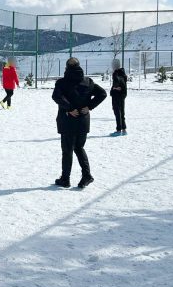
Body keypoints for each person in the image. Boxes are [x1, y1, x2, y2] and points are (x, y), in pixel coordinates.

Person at [52, 57, 107, 189]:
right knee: (79, 148)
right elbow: (102, 94)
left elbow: (56, 96)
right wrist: (90, 106)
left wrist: (69, 108)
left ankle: (65, 179)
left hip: (68, 121)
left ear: (66, 68)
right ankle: (86, 175)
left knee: (67, 150)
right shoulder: (88, 82)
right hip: (83, 121)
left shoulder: (62, 83)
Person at [110, 59, 128, 136]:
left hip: (116, 95)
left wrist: (115, 87)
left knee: (117, 112)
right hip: (122, 95)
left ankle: (118, 130)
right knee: (122, 112)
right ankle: (124, 130)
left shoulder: (116, 73)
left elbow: (117, 83)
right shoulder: (123, 72)